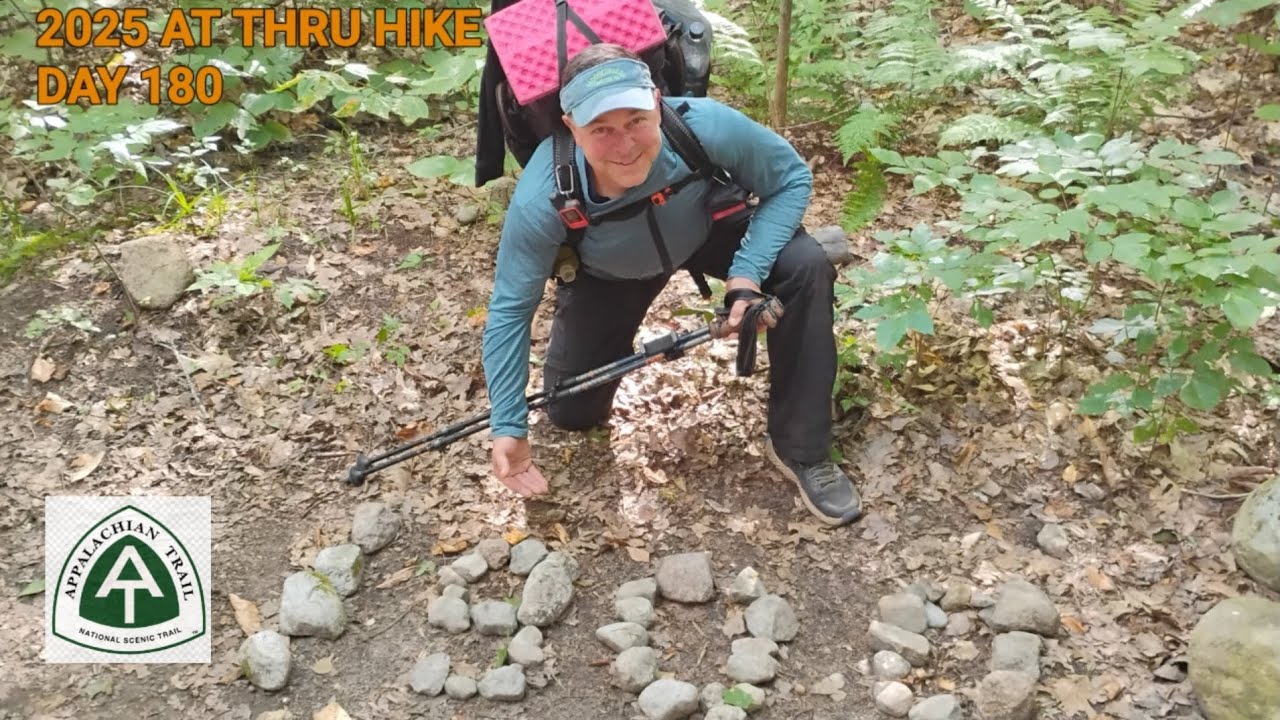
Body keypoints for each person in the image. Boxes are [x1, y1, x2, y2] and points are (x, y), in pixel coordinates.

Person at [480, 43, 862, 526]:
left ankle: (804, 448)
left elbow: (789, 179)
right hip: (610, 271)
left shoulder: (704, 125)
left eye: (636, 120)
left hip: (703, 230)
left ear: (657, 103)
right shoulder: (543, 195)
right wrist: (508, 425)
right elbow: (510, 310)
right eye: (601, 129)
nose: (625, 145)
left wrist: (747, 273)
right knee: (572, 412)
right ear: (571, 128)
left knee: (805, 264)